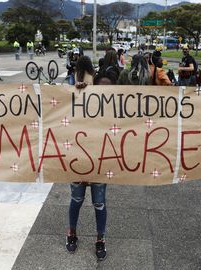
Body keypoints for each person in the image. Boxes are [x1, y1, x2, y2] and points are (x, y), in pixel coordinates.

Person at [66, 69, 118, 261]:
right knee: (76, 200)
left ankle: (100, 238)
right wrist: (78, 91)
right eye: (100, 88)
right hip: (79, 161)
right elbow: (66, 112)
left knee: (99, 203)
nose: (104, 93)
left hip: (101, 163)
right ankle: (71, 233)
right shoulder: (82, 101)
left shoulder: (117, 108)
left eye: (108, 90)